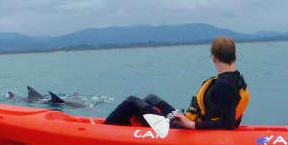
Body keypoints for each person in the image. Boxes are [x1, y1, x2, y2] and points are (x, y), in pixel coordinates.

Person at [103, 37, 249, 130]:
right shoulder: (236, 80)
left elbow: (228, 123)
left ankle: (103, 132)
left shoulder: (223, 86)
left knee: (131, 102)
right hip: (190, 121)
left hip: (186, 130)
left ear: (213, 58)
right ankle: (129, 129)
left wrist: (190, 124)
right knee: (151, 98)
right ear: (235, 56)